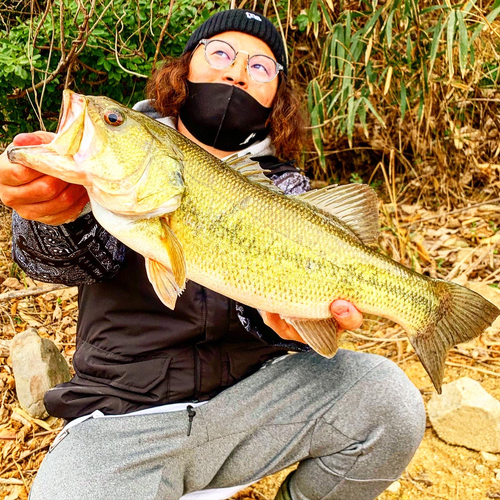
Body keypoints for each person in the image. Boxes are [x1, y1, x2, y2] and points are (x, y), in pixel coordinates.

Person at [0, 9, 426, 500]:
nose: (236, 70)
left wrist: (288, 325)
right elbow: (60, 263)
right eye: (220, 53)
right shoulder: (127, 168)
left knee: (388, 402)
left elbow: (273, 317)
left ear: (276, 99)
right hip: (123, 415)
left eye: (260, 66)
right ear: (185, 68)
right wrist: (50, 214)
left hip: (251, 407)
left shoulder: (286, 190)